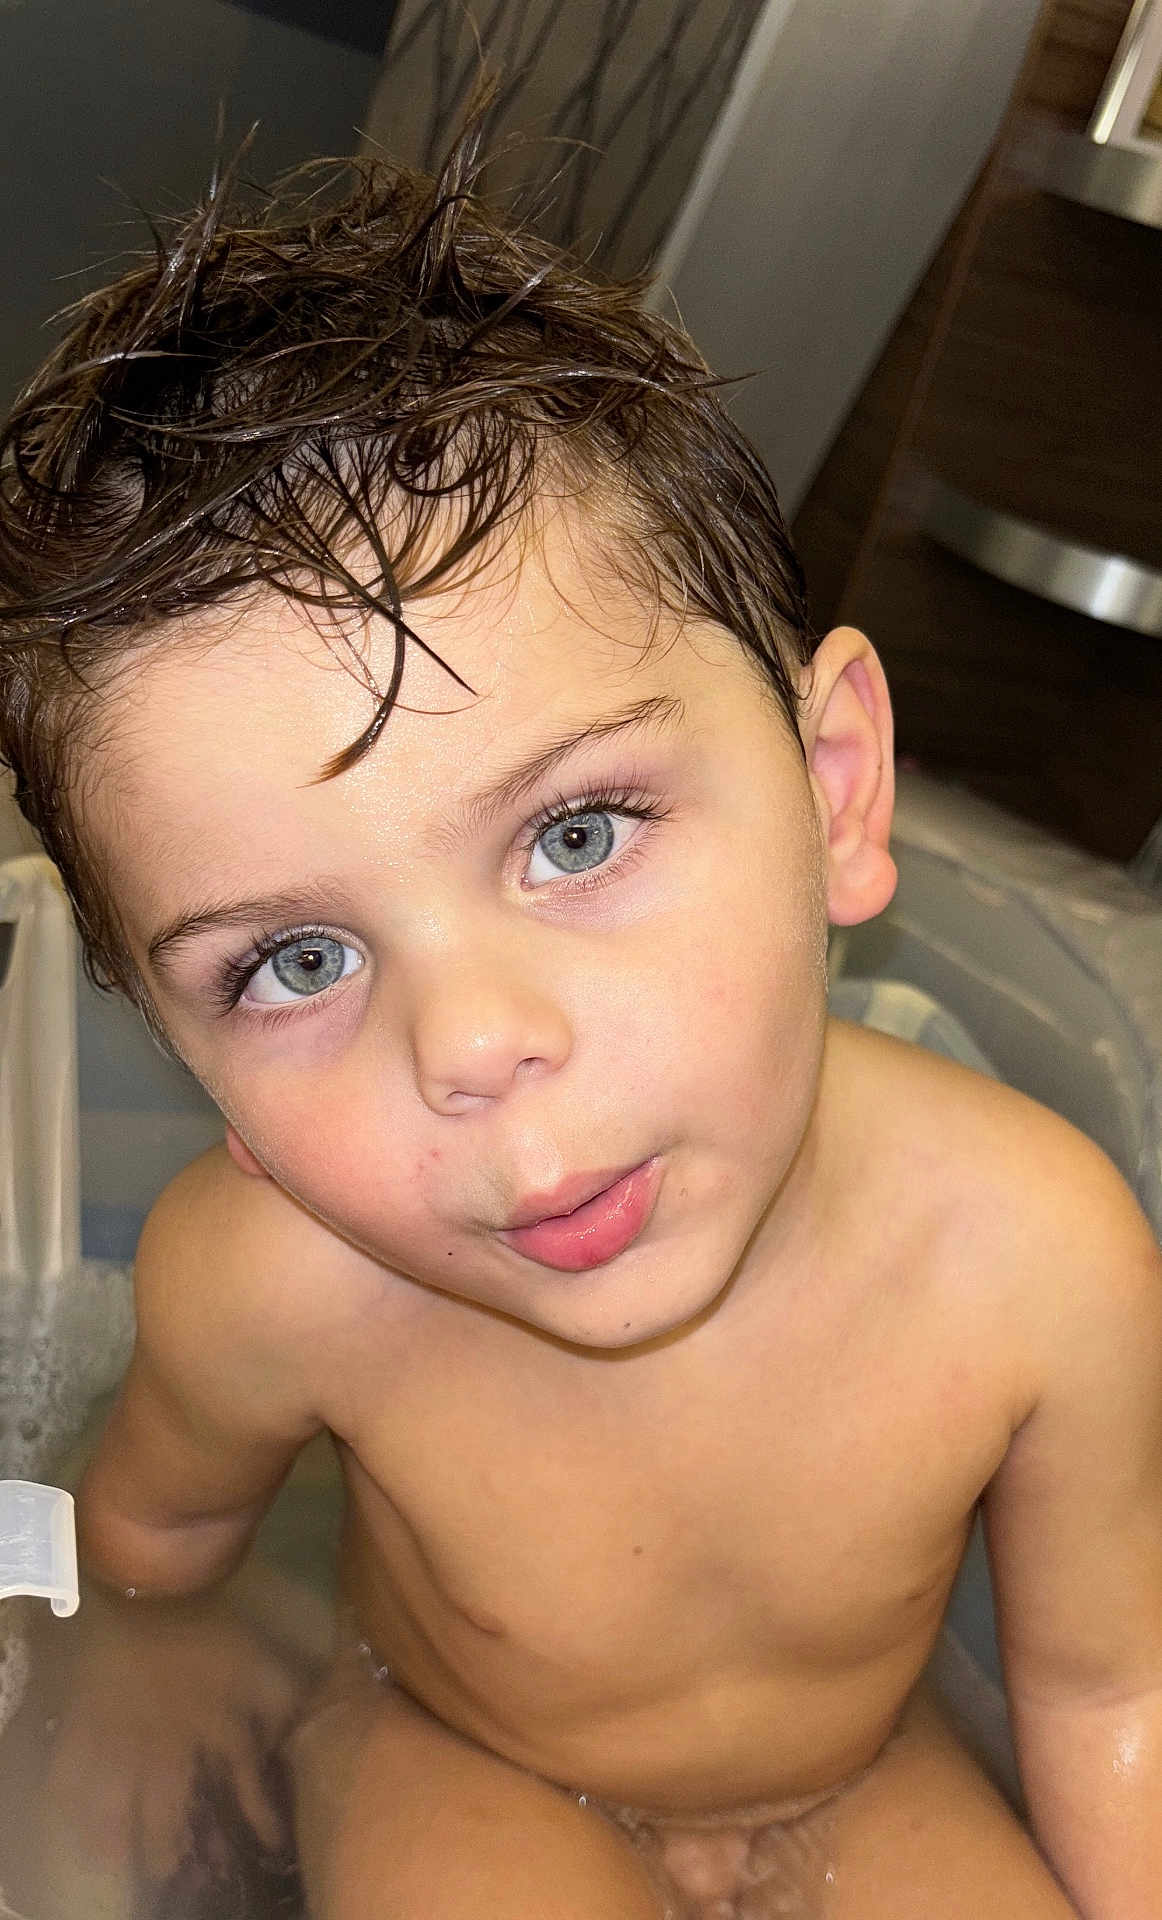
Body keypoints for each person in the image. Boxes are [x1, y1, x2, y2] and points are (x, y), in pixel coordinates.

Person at [2, 104, 1161, 1920]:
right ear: (184, 1054)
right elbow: (140, 1532)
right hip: (459, 1760)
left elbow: (1115, 1684)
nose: (470, 1044)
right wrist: (132, 1660)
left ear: (833, 791)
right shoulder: (275, 1285)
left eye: (576, 830)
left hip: (864, 1780)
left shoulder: (1038, 1255)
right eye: (294, 963)